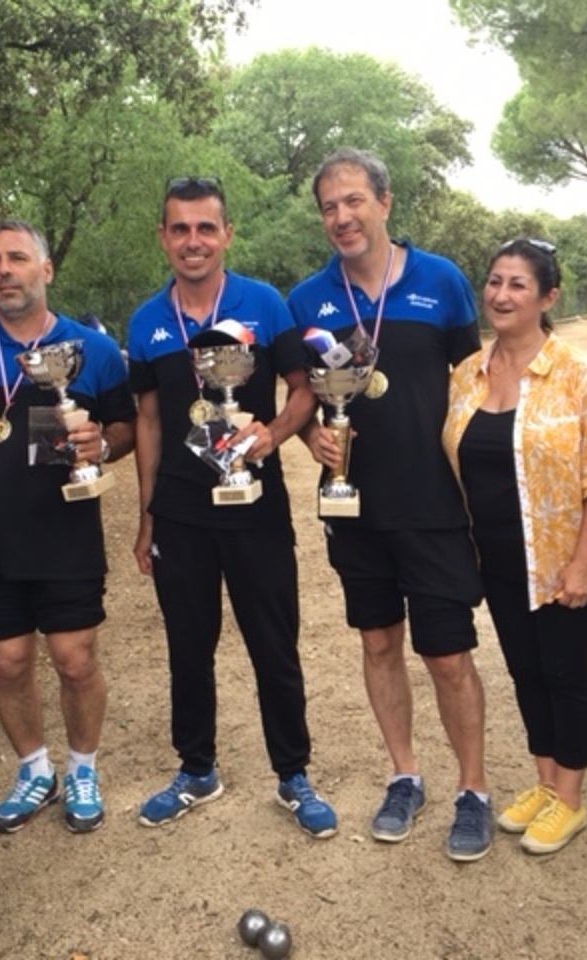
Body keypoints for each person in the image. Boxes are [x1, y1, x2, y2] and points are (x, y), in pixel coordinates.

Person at [287, 149, 490, 860]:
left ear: (384, 202)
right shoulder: (307, 300)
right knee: (378, 643)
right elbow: (303, 396)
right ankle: (405, 775)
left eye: (353, 201)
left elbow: (475, 383)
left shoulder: (442, 281)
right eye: (329, 207)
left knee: (448, 655)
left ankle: (473, 789)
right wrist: (310, 434)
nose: (341, 217)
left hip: (434, 503)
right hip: (352, 505)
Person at [126, 176, 336, 839]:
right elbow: (150, 421)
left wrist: (272, 434)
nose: (193, 241)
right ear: (163, 237)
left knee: (274, 644)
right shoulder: (147, 320)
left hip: (254, 506)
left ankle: (293, 774)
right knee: (189, 648)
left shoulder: (264, 303)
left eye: (205, 228)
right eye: (180, 229)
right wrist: (147, 513)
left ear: (226, 235)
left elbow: (303, 388)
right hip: (181, 513)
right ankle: (197, 769)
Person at [0, 220, 134, 834]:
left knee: (75, 660)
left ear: (46, 269)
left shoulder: (91, 349)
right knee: (8, 662)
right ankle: (34, 770)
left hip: (65, 532)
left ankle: (83, 769)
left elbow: (124, 428)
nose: (4, 271)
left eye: (17, 258)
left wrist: (102, 443)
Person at [442, 239, 587, 855]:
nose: (501, 295)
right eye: (494, 281)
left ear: (548, 298)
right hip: (494, 557)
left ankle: (570, 797)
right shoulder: (466, 374)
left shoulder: (577, 371)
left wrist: (584, 562)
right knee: (524, 671)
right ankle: (545, 783)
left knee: (564, 672)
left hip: (562, 556)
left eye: (518, 284)